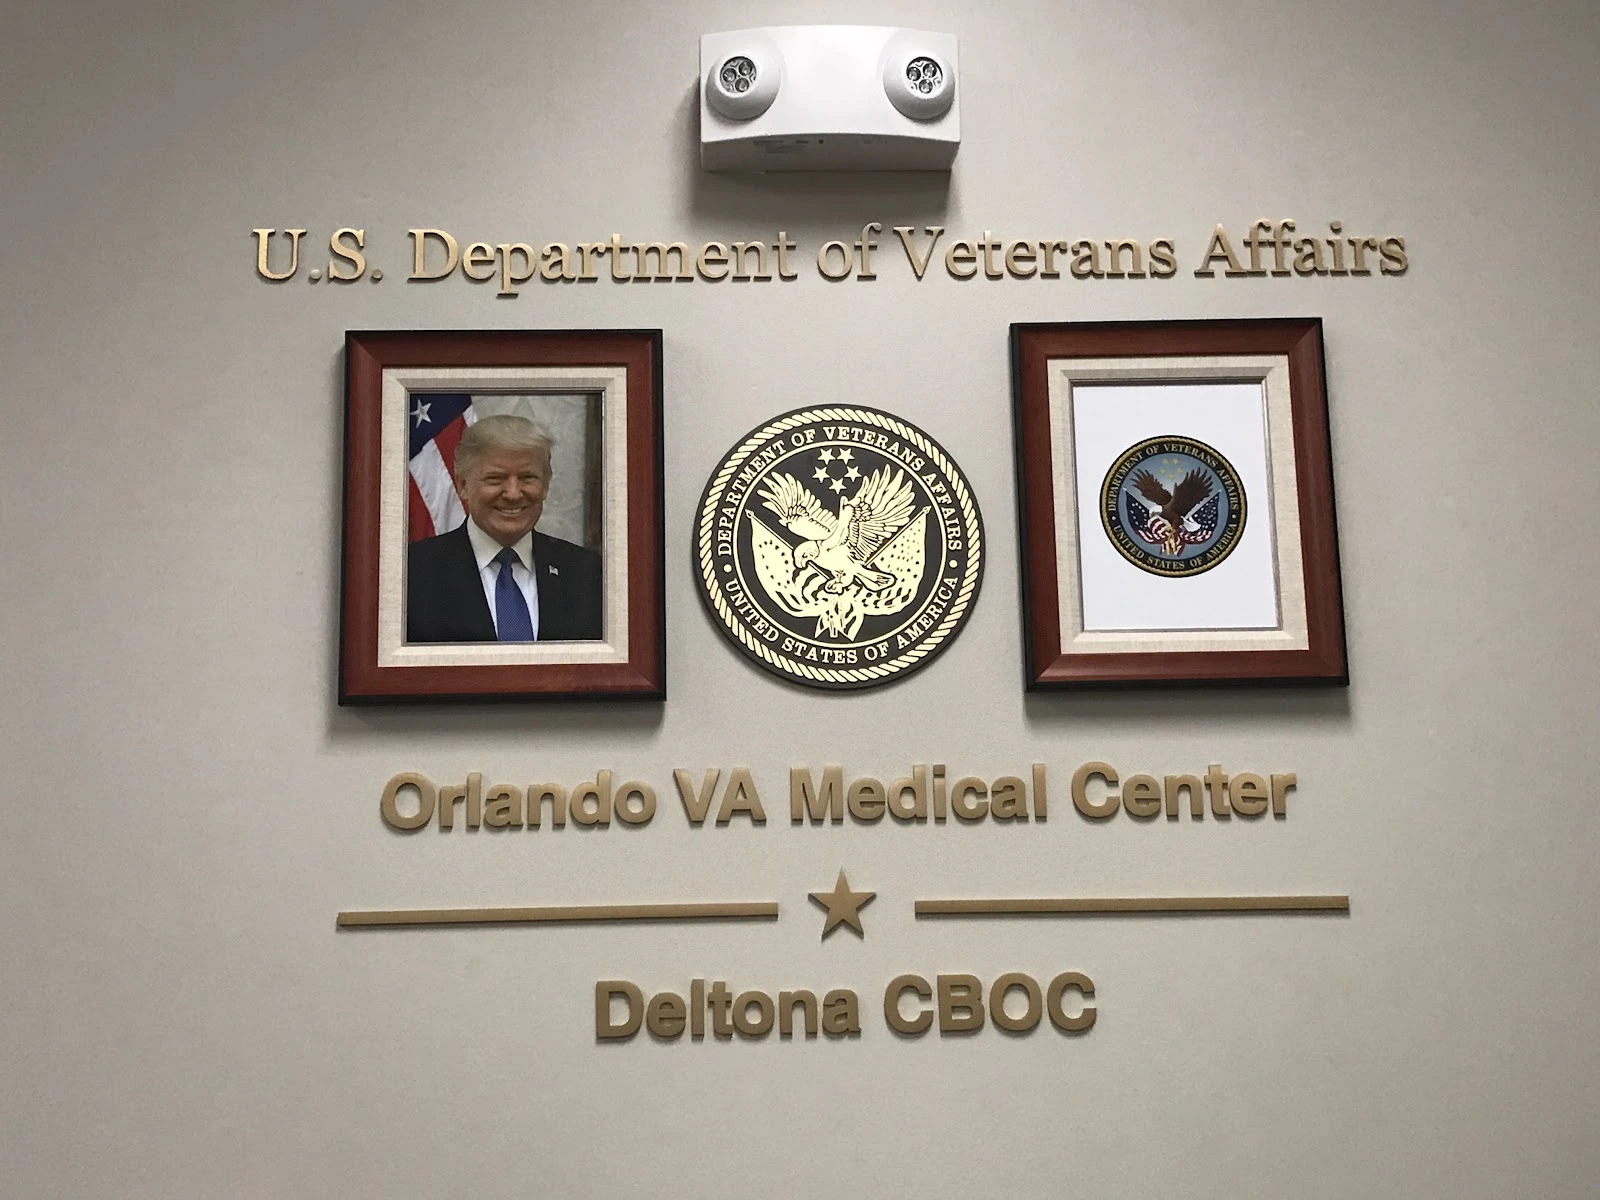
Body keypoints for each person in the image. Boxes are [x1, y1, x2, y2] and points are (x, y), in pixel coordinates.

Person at [406, 415, 603, 643]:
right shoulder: (411, 573)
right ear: (463, 485)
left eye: (528, 478)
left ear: (545, 485)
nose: (513, 494)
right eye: (495, 479)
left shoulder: (588, 573)